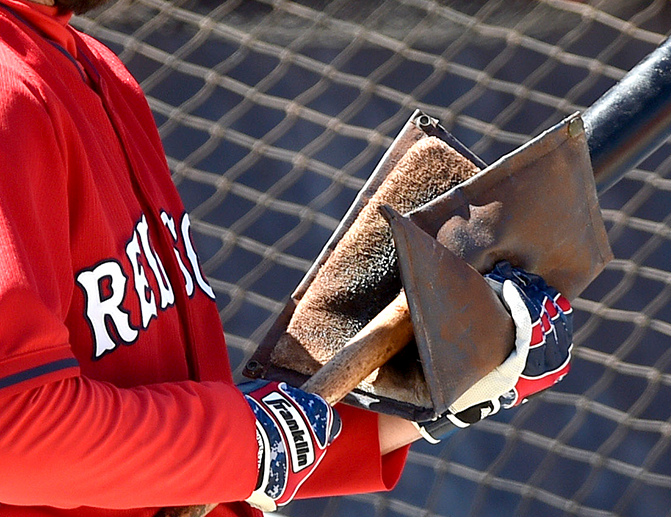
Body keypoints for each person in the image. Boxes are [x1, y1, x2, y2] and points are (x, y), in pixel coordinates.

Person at [0, 0, 573, 515]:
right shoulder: (8, 85)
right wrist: (250, 442)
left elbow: (182, 458)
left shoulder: (91, 66)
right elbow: (16, 435)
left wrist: (443, 392)